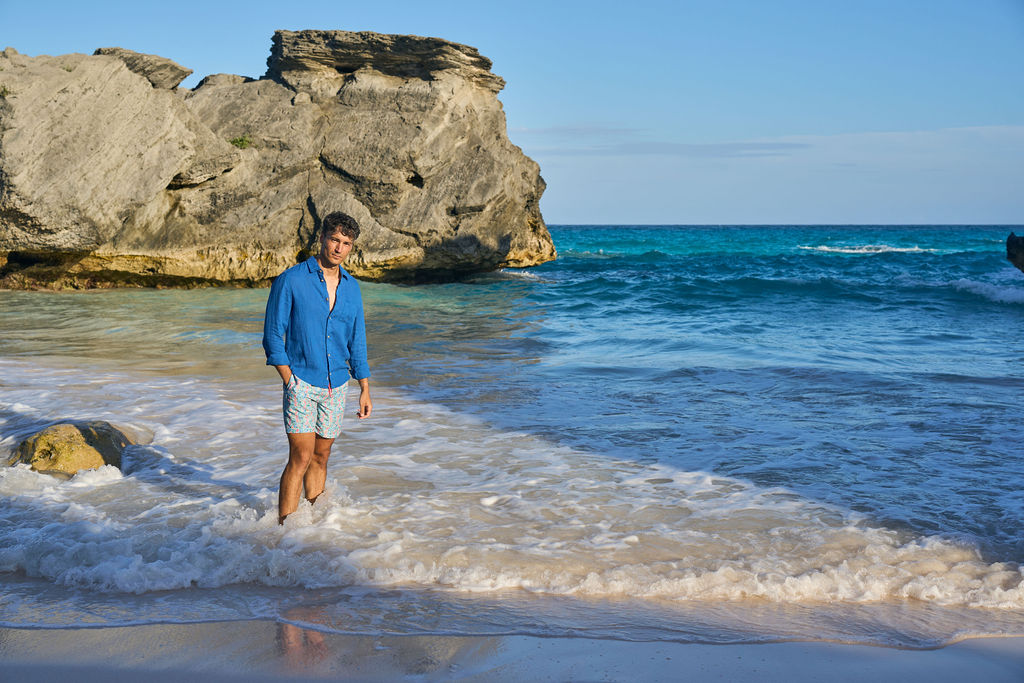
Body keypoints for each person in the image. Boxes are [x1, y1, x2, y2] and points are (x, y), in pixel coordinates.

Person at [262, 211, 372, 524]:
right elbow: (273, 334)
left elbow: (357, 340)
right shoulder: (292, 280)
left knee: (321, 456)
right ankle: (285, 529)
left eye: (346, 243)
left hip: (337, 385)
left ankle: (313, 527)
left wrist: (364, 387)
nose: (339, 247)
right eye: (334, 239)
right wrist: (289, 379)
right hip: (302, 383)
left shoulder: (352, 288)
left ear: (351, 248)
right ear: (322, 238)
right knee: (300, 456)